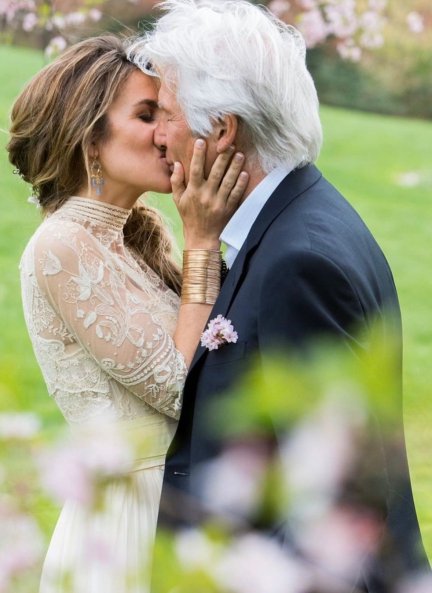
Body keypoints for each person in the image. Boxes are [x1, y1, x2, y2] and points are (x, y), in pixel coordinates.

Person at [128, 0, 428, 589]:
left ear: (220, 129)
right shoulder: (299, 220)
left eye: (163, 113)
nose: (157, 137)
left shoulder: (300, 262)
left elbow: (331, 505)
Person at [7, 34, 248, 593]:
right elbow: (173, 386)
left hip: (178, 508)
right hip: (127, 526)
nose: (168, 135)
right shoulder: (60, 247)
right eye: (147, 115)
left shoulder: (136, 239)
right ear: (91, 138)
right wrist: (202, 243)